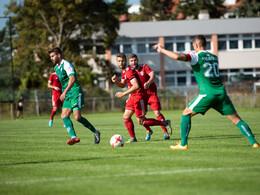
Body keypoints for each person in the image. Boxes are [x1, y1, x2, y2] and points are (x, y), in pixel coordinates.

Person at [153, 35, 259, 149]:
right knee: (236, 119)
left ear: (197, 45)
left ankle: (183, 144)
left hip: (207, 94)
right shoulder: (214, 57)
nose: (193, 48)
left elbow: (177, 56)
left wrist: (162, 49)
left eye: (194, 46)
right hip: (221, 93)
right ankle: (254, 142)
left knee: (186, 113)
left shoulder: (195, 56)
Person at [111, 53, 172, 143]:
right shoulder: (124, 71)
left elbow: (136, 86)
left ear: (125, 61)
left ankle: (163, 123)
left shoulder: (129, 71)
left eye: (122, 61)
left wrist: (123, 94)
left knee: (141, 121)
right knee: (126, 116)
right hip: (133, 97)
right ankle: (133, 138)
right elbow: (123, 84)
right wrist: (116, 81)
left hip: (139, 97)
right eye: (119, 61)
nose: (121, 63)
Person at [48, 47, 100, 145]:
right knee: (64, 115)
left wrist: (64, 92)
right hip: (67, 94)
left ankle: (95, 132)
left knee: (77, 117)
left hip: (75, 92)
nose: (51, 58)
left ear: (58, 55)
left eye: (52, 56)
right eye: (50, 56)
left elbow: (72, 79)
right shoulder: (56, 68)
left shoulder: (66, 65)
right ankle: (74, 137)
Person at [128, 54, 171, 140]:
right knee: (141, 118)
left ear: (137, 60)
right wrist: (129, 97)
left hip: (151, 94)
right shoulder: (130, 72)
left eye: (135, 60)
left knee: (157, 113)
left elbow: (153, 75)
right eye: (131, 61)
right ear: (129, 62)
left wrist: (148, 82)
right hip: (140, 96)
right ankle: (148, 130)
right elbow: (131, 86)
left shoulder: (144, 67)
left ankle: (165, 132)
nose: (133, 62)